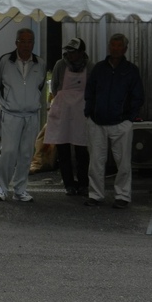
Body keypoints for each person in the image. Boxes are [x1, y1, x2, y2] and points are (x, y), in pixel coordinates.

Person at [83, 33, 144, 209]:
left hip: (121, 123)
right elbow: (90, 92)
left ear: (125, 49)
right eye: (113, 45)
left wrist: (129, 119)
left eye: (119, 46)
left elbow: (137, 97)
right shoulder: (99, 68)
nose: (115, 48)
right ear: (109, 47)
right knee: (95, 161)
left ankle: (122, 196)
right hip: (96, 122)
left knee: (123, 162)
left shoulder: (131, 70)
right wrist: (89, 113)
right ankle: (95, 195)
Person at [0, 27, 47, 202]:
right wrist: (7, 102)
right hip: (10, 113)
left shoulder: (40, 63)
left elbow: (40, 86)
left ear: (34, 43)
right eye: (22, 41)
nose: (26, 45)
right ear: (16, 43)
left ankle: (20, 189)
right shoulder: (5, 61)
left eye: (30, 41)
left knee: (26, 154)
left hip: (31, 114)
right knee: (8, 152)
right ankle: (1, 188)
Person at [44, 37, 93, 196]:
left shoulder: (90, 67)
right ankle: (69, 184)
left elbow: (92, 89)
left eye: (73, 52)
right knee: (63, 149)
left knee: (81, 150)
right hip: (63, 111)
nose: (70, 55)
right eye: (68, 51)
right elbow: (55, 88)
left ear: (81, 52)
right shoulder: (60, 65)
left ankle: (84, 183)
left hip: (81, 111)